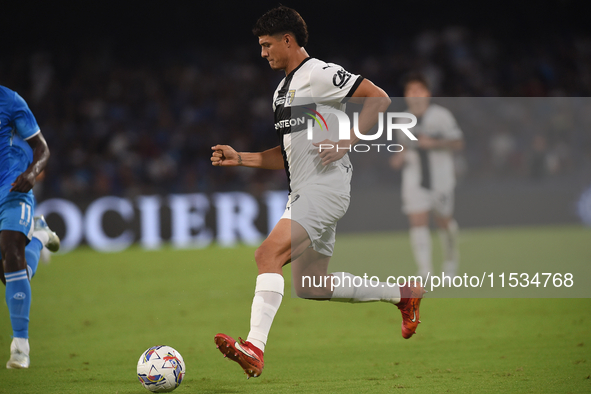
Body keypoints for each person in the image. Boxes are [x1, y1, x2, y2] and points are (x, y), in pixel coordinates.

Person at [211, 6, 425, 379]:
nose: (263, 53)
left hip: (325, 188)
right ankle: (402, 294)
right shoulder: (281, 91)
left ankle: (254, 347)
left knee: (267, 255)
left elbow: (379, 98)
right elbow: (288, 154)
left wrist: (347, 140)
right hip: (305, 190)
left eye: (267, 45)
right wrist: (240, 158)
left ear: (288, 40)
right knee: (312, 284)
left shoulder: (319, 73)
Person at [0, 85, 59, 369]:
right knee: (12, 274)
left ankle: (20, 347)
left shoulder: (10, 101)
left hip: (13, 185)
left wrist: (32, 173)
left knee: (12, 251)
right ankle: (39, 237)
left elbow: (42, 148)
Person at [390, 73, 464, 279]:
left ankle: (450, 260)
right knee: (417, 220)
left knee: (444, 222)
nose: (414, 95)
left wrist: (434, 143)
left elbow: (458, 142)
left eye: (418, 90)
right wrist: (399, 157)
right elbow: (403, 147)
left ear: (427, 93)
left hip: (440, 178)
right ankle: (425, 270)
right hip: (414, 179)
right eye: (410, 91)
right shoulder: (402, 120)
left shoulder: (441, 116)